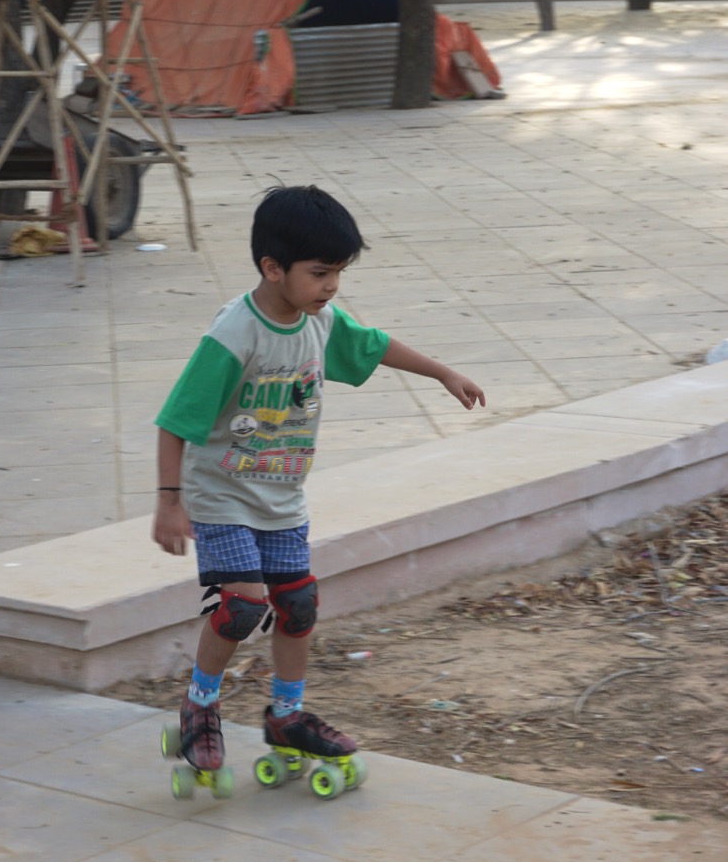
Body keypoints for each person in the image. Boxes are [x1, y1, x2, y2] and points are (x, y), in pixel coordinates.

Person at [152, 185, 485, 774]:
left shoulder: (320, 321)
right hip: (221, 495)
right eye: (321, 273)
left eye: (339, 273)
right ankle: (199, 705)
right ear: (272, 268)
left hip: (282, 496)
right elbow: (177, 419)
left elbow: (374, 346)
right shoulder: (234, 334)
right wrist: (169, 503)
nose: (332, 286)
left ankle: (287, 715)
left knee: (298, 604)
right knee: (240, 607)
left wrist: (442, 373)